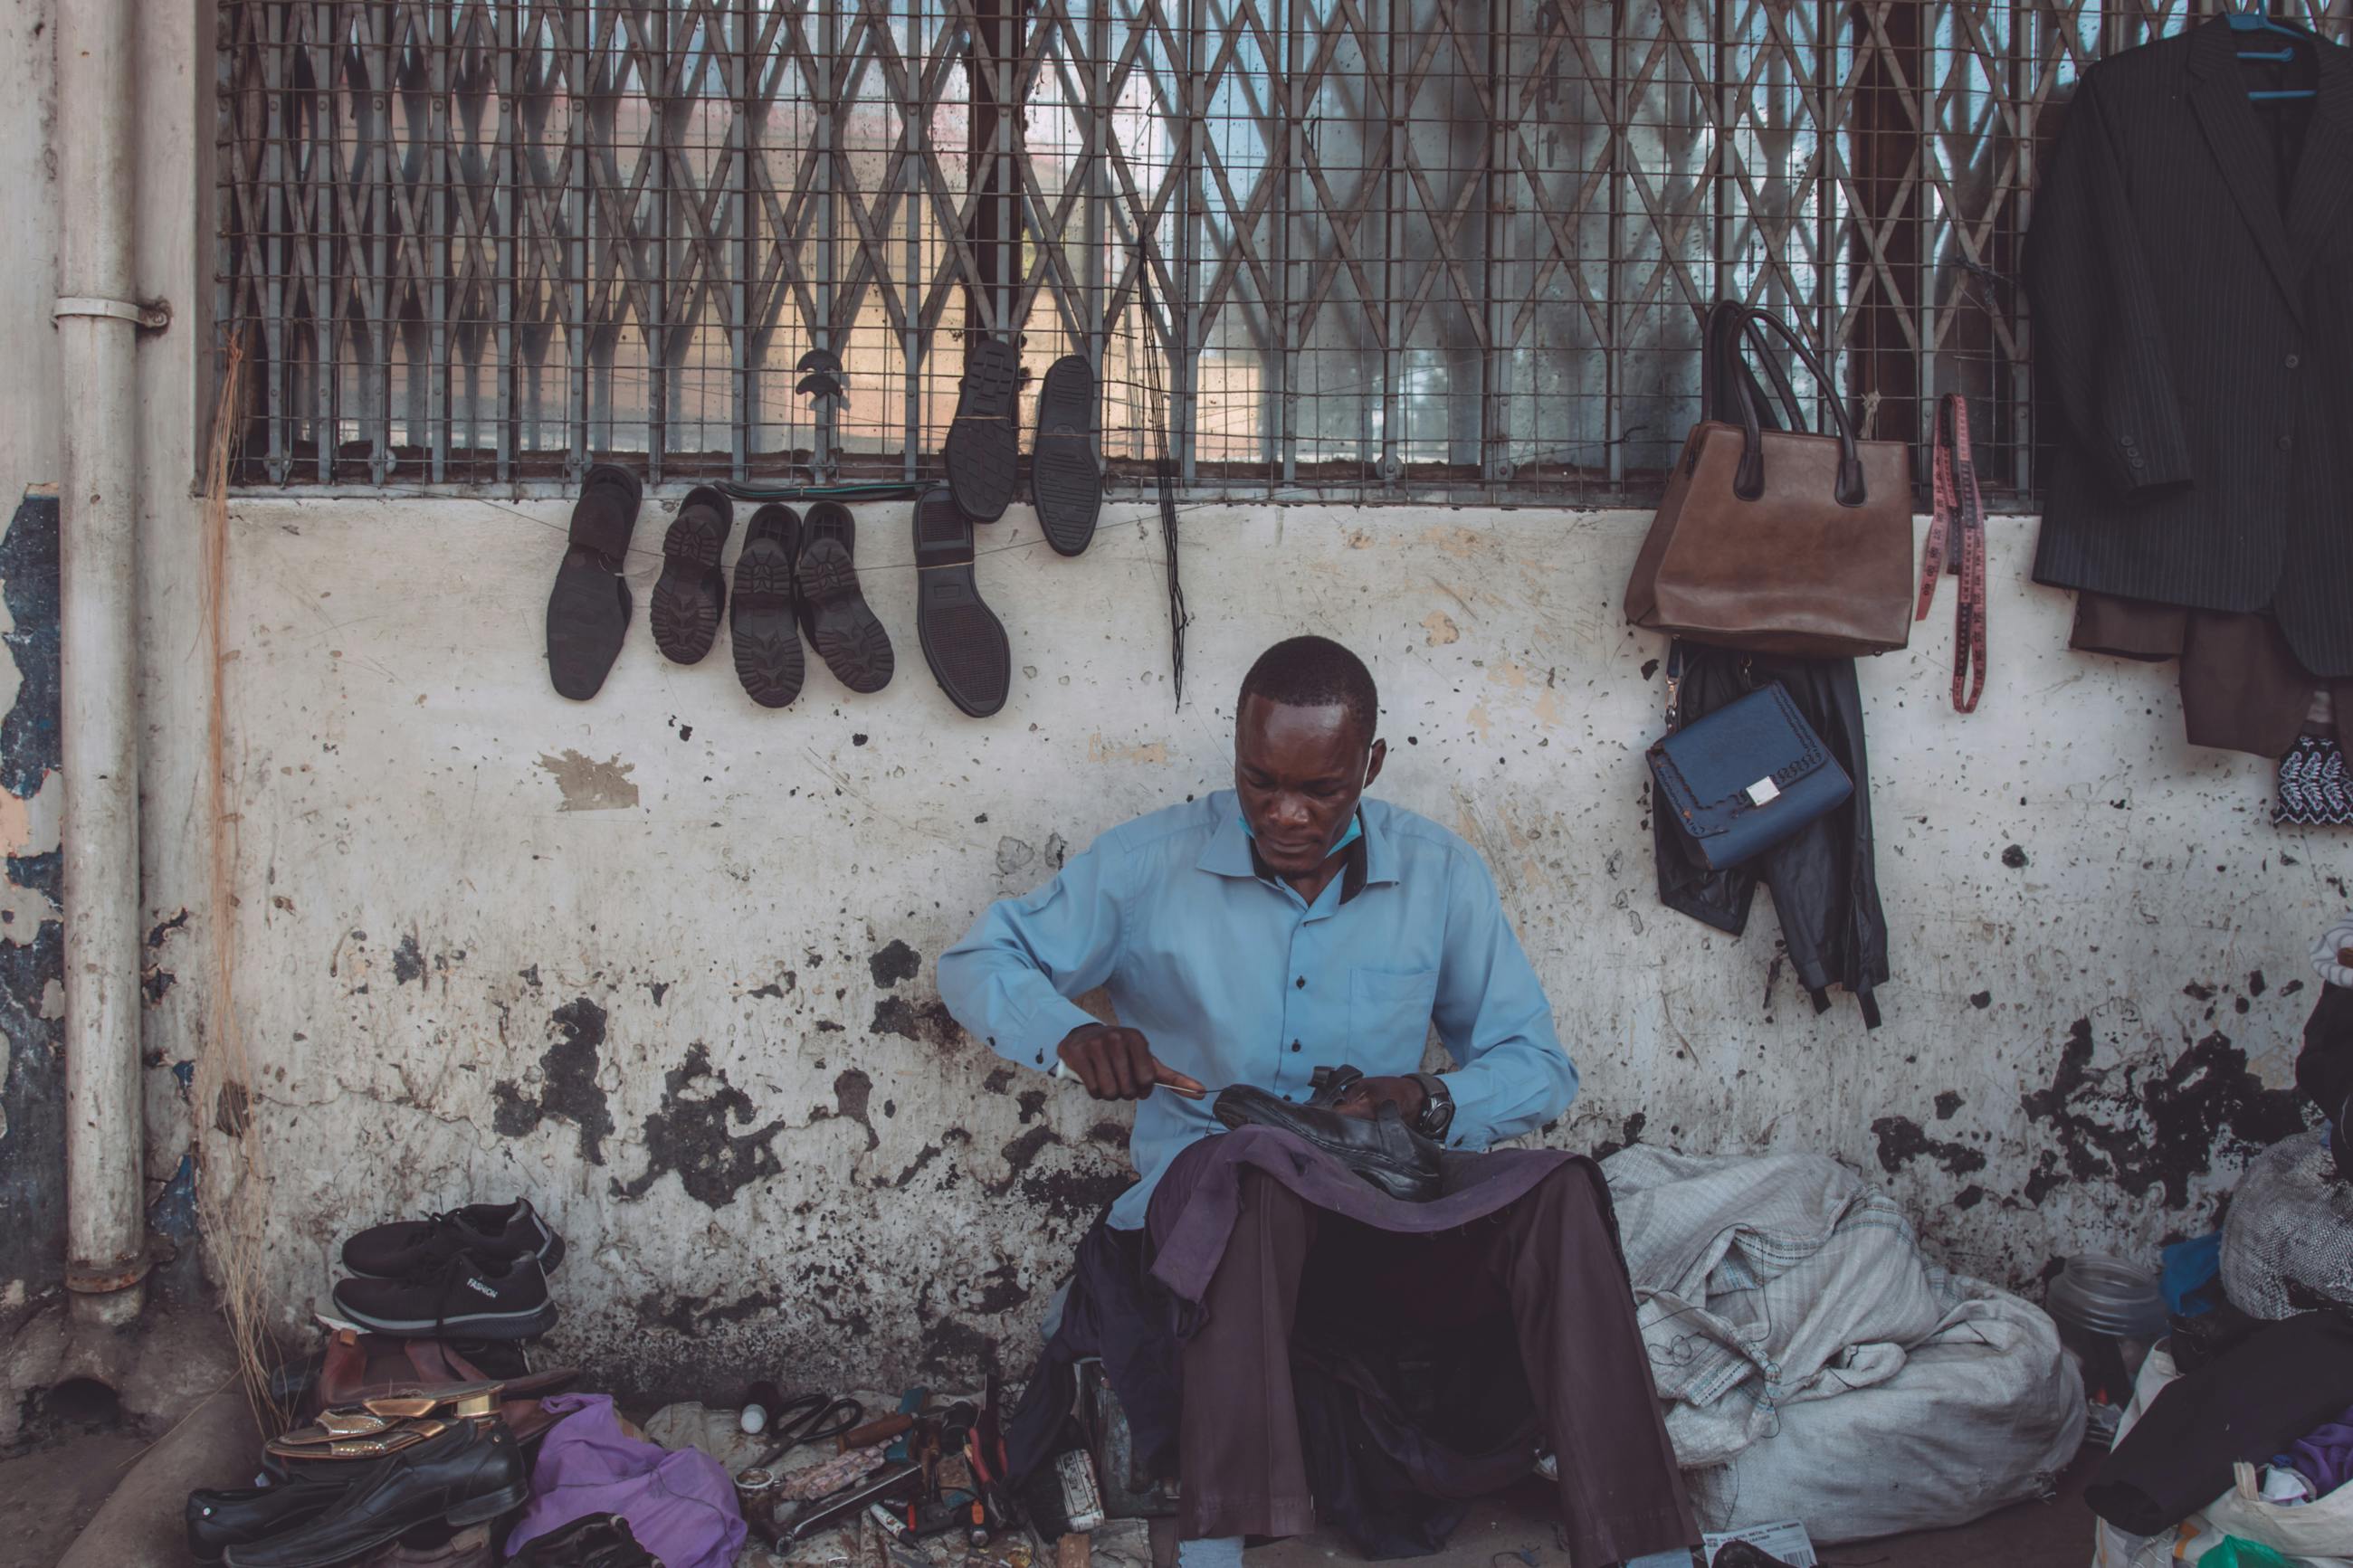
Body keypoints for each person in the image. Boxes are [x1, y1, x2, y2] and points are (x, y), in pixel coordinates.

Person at [938, 635, 1694, 1568]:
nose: (1286, 814)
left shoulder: (1438, 874)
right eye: (1260, 783)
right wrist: (1071, 1034)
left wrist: (1424, 1096)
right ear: (1235, 753)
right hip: (1205, 1225)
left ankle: (1646, 1544)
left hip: (1375, 1210)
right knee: (1251, 1167)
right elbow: (977, 960)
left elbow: (1536, 1063)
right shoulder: (1147, 865)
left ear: (1368, 766)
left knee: (1558, 1190)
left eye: (1322, 791)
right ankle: (1220, 1546)